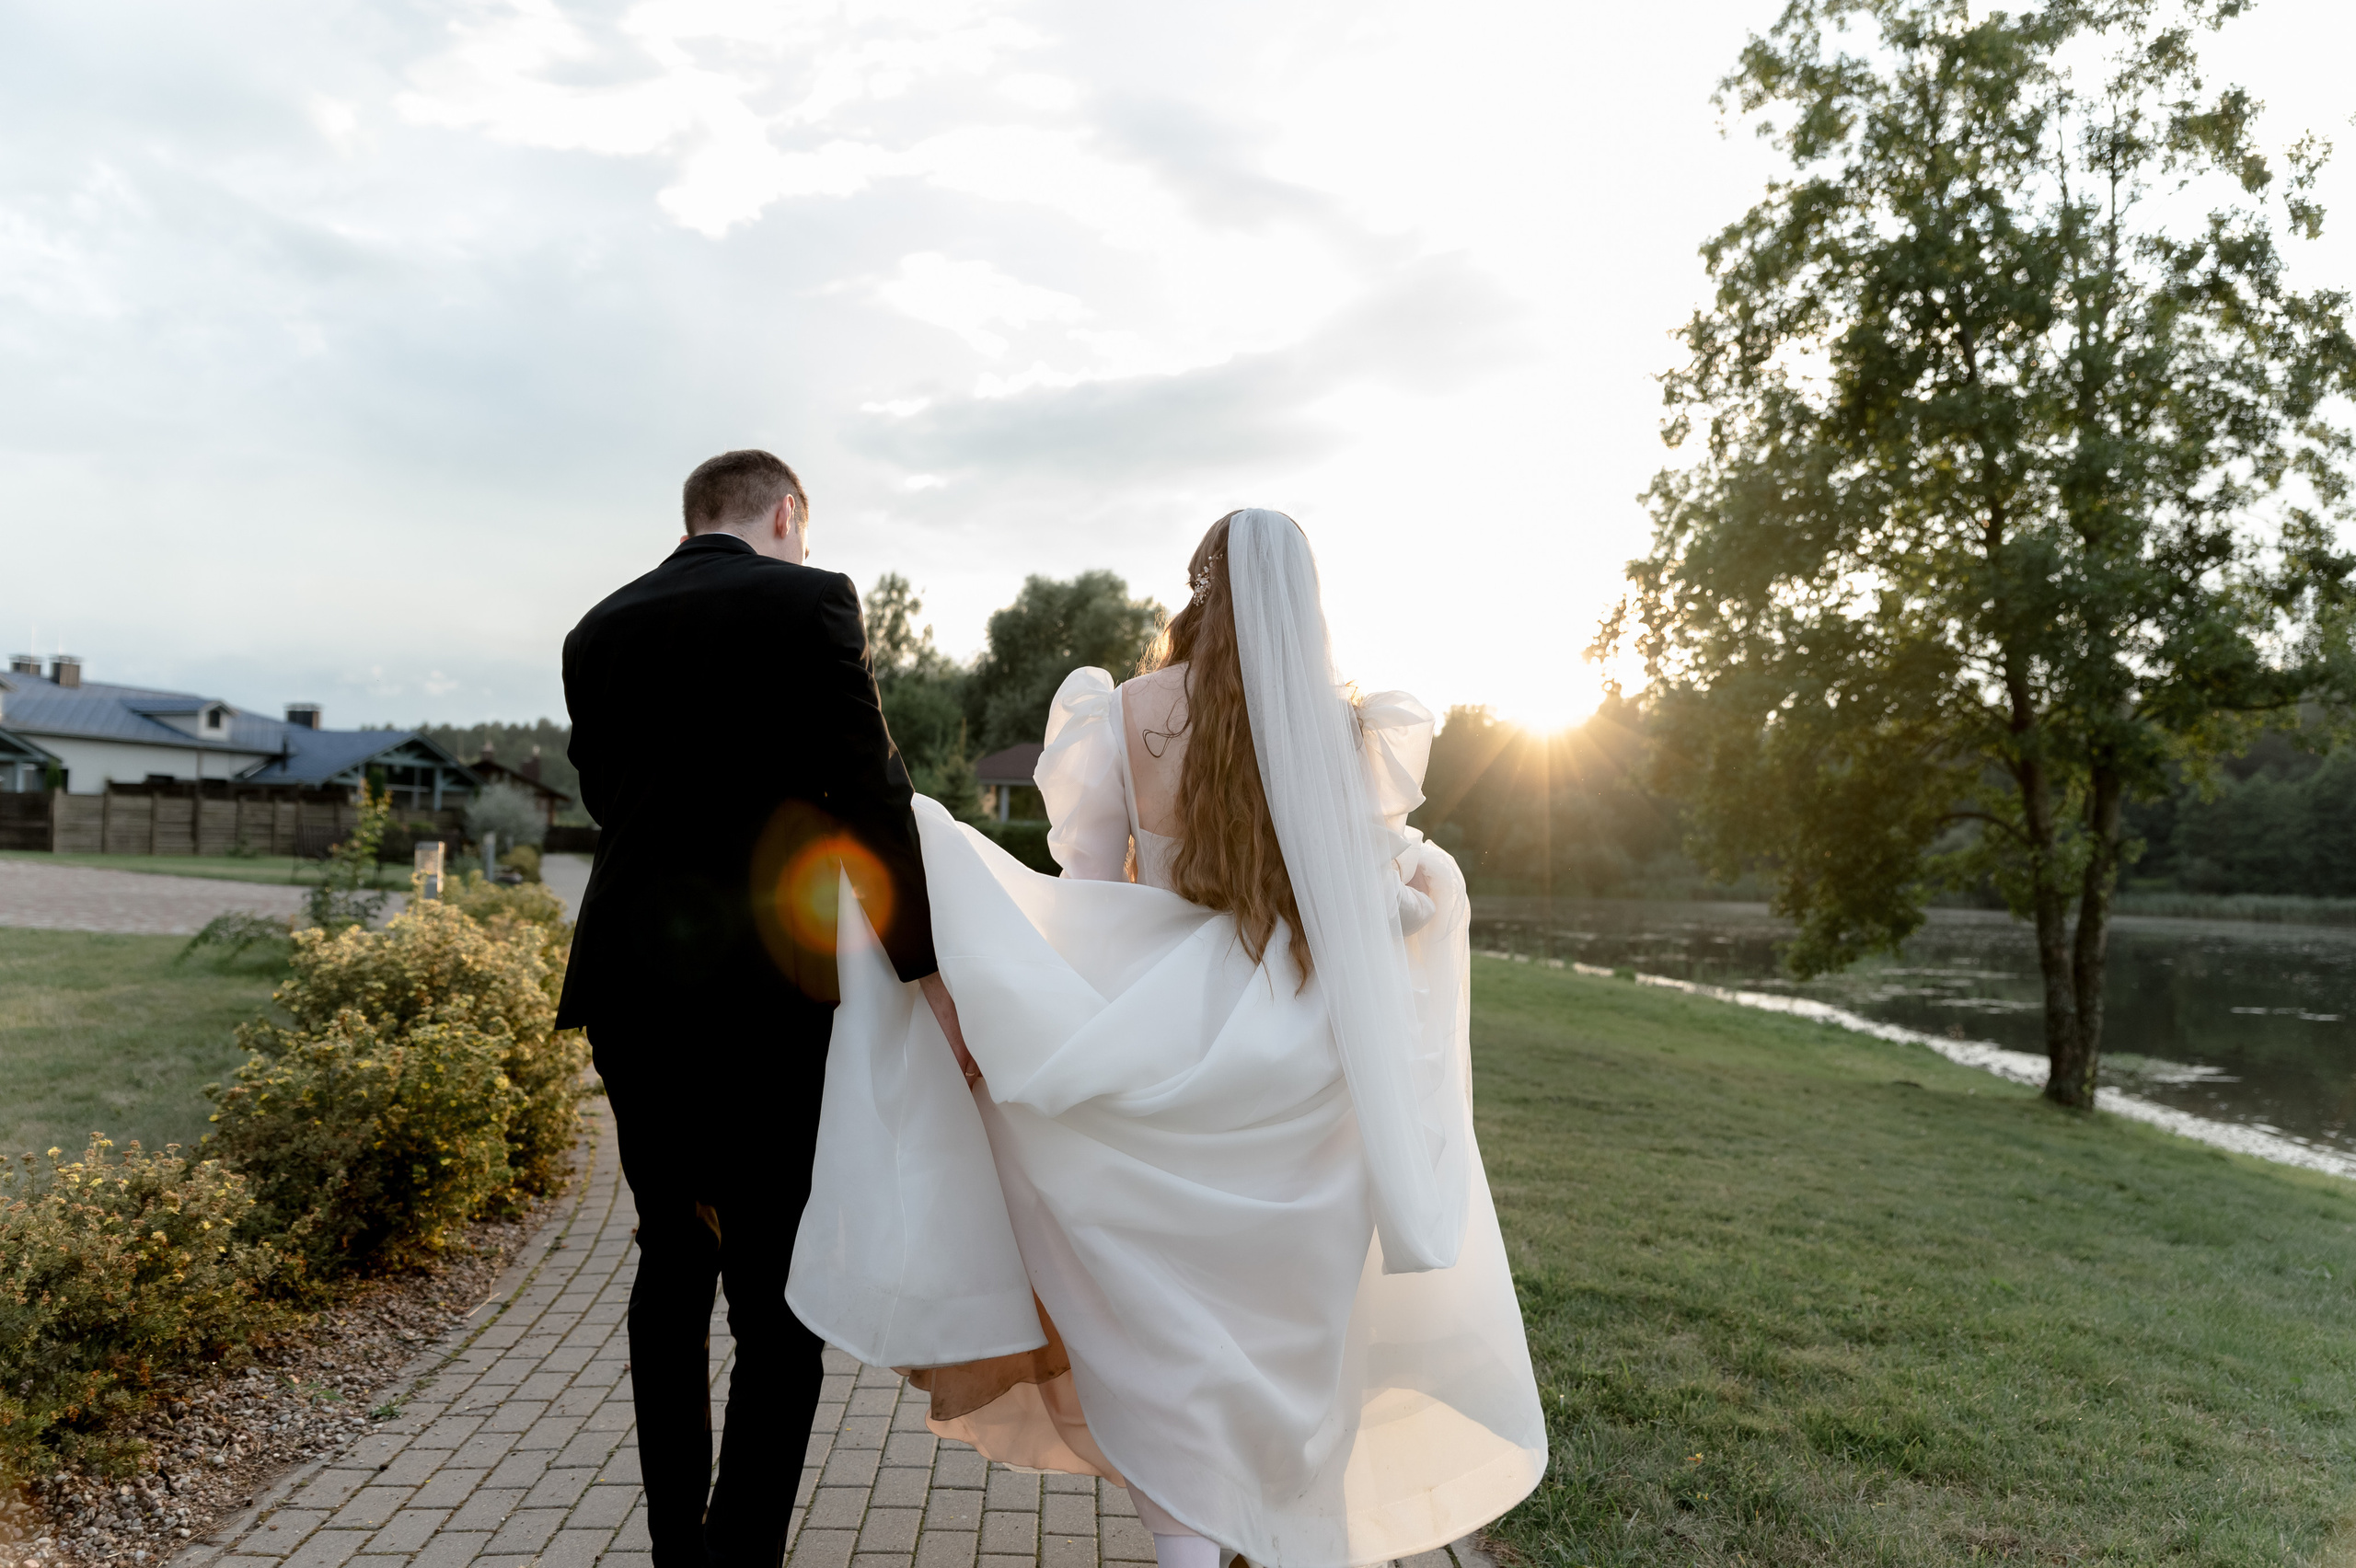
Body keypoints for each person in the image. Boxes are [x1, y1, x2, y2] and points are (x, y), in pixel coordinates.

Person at [792, 509, 1547, 1568]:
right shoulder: (1347, 727)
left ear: (1199, 581)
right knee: (1291, 1316)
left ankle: (1191, 1538)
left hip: (1163, 1014)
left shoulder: (1129, 709)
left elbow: (1091, 891)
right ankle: (1277, 1522)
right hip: (1301, 1038)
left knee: (1161, 1323)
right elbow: (1357, 886)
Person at [557, 450, 961, 1568]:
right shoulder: (811, 599)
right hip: (765, 993)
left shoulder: (595, 629)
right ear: (788, 514)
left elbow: (605, 795)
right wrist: (926, 969)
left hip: (627, 987)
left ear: (694, 518)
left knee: (668, 1259)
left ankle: (677, 1551)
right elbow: (871, 787)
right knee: (777, 1301)